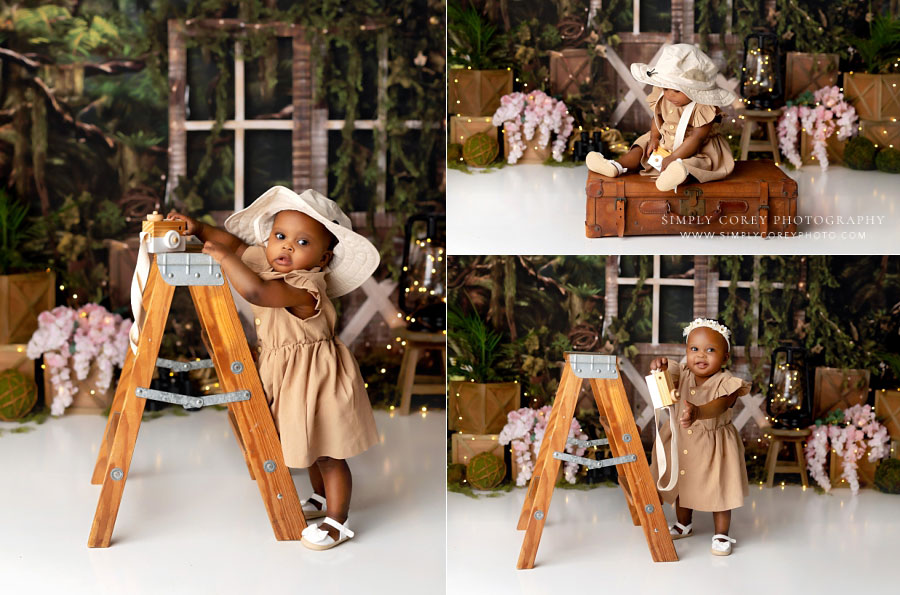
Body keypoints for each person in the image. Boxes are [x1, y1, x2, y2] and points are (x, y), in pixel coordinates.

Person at [168, 185, 380, 551]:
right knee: (309, 442)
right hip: (284, 372)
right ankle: (319, 498)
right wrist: (200, 230)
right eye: (280, 237)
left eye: (302, 243)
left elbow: (257, 294)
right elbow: (234, 245)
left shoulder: (308, 285)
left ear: (323, 258)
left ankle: (338, 520)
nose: (286, 247)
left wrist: (222, 258)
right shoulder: (267, 263)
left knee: (328, 452)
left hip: (317, 377)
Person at [648, 318, 750, 556]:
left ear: (724, 357)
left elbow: (720, 405)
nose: (701, 356)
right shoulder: (681, 373)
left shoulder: (728, 383)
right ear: (686, 351)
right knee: (682, 481)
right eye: (694, 349)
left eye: (710, 350)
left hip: (714, 446)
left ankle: (722, 533)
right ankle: (684, 524)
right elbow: (662, 379)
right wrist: (658, 368)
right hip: (682, 440)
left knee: (719, 488)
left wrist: (699, 411)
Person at [586, 43, 736, 192]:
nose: (669, 95)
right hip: (665, 139)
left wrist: (675, 157)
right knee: (641, 149)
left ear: (695, 91)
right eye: (665, 88)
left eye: (676, 90)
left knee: (698, 163)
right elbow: (657, 118)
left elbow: (697, 138)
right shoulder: (664, 97)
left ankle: (679, 173)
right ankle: (615, 166)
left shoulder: (704, 106)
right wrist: (654, 137)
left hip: (694, 148)